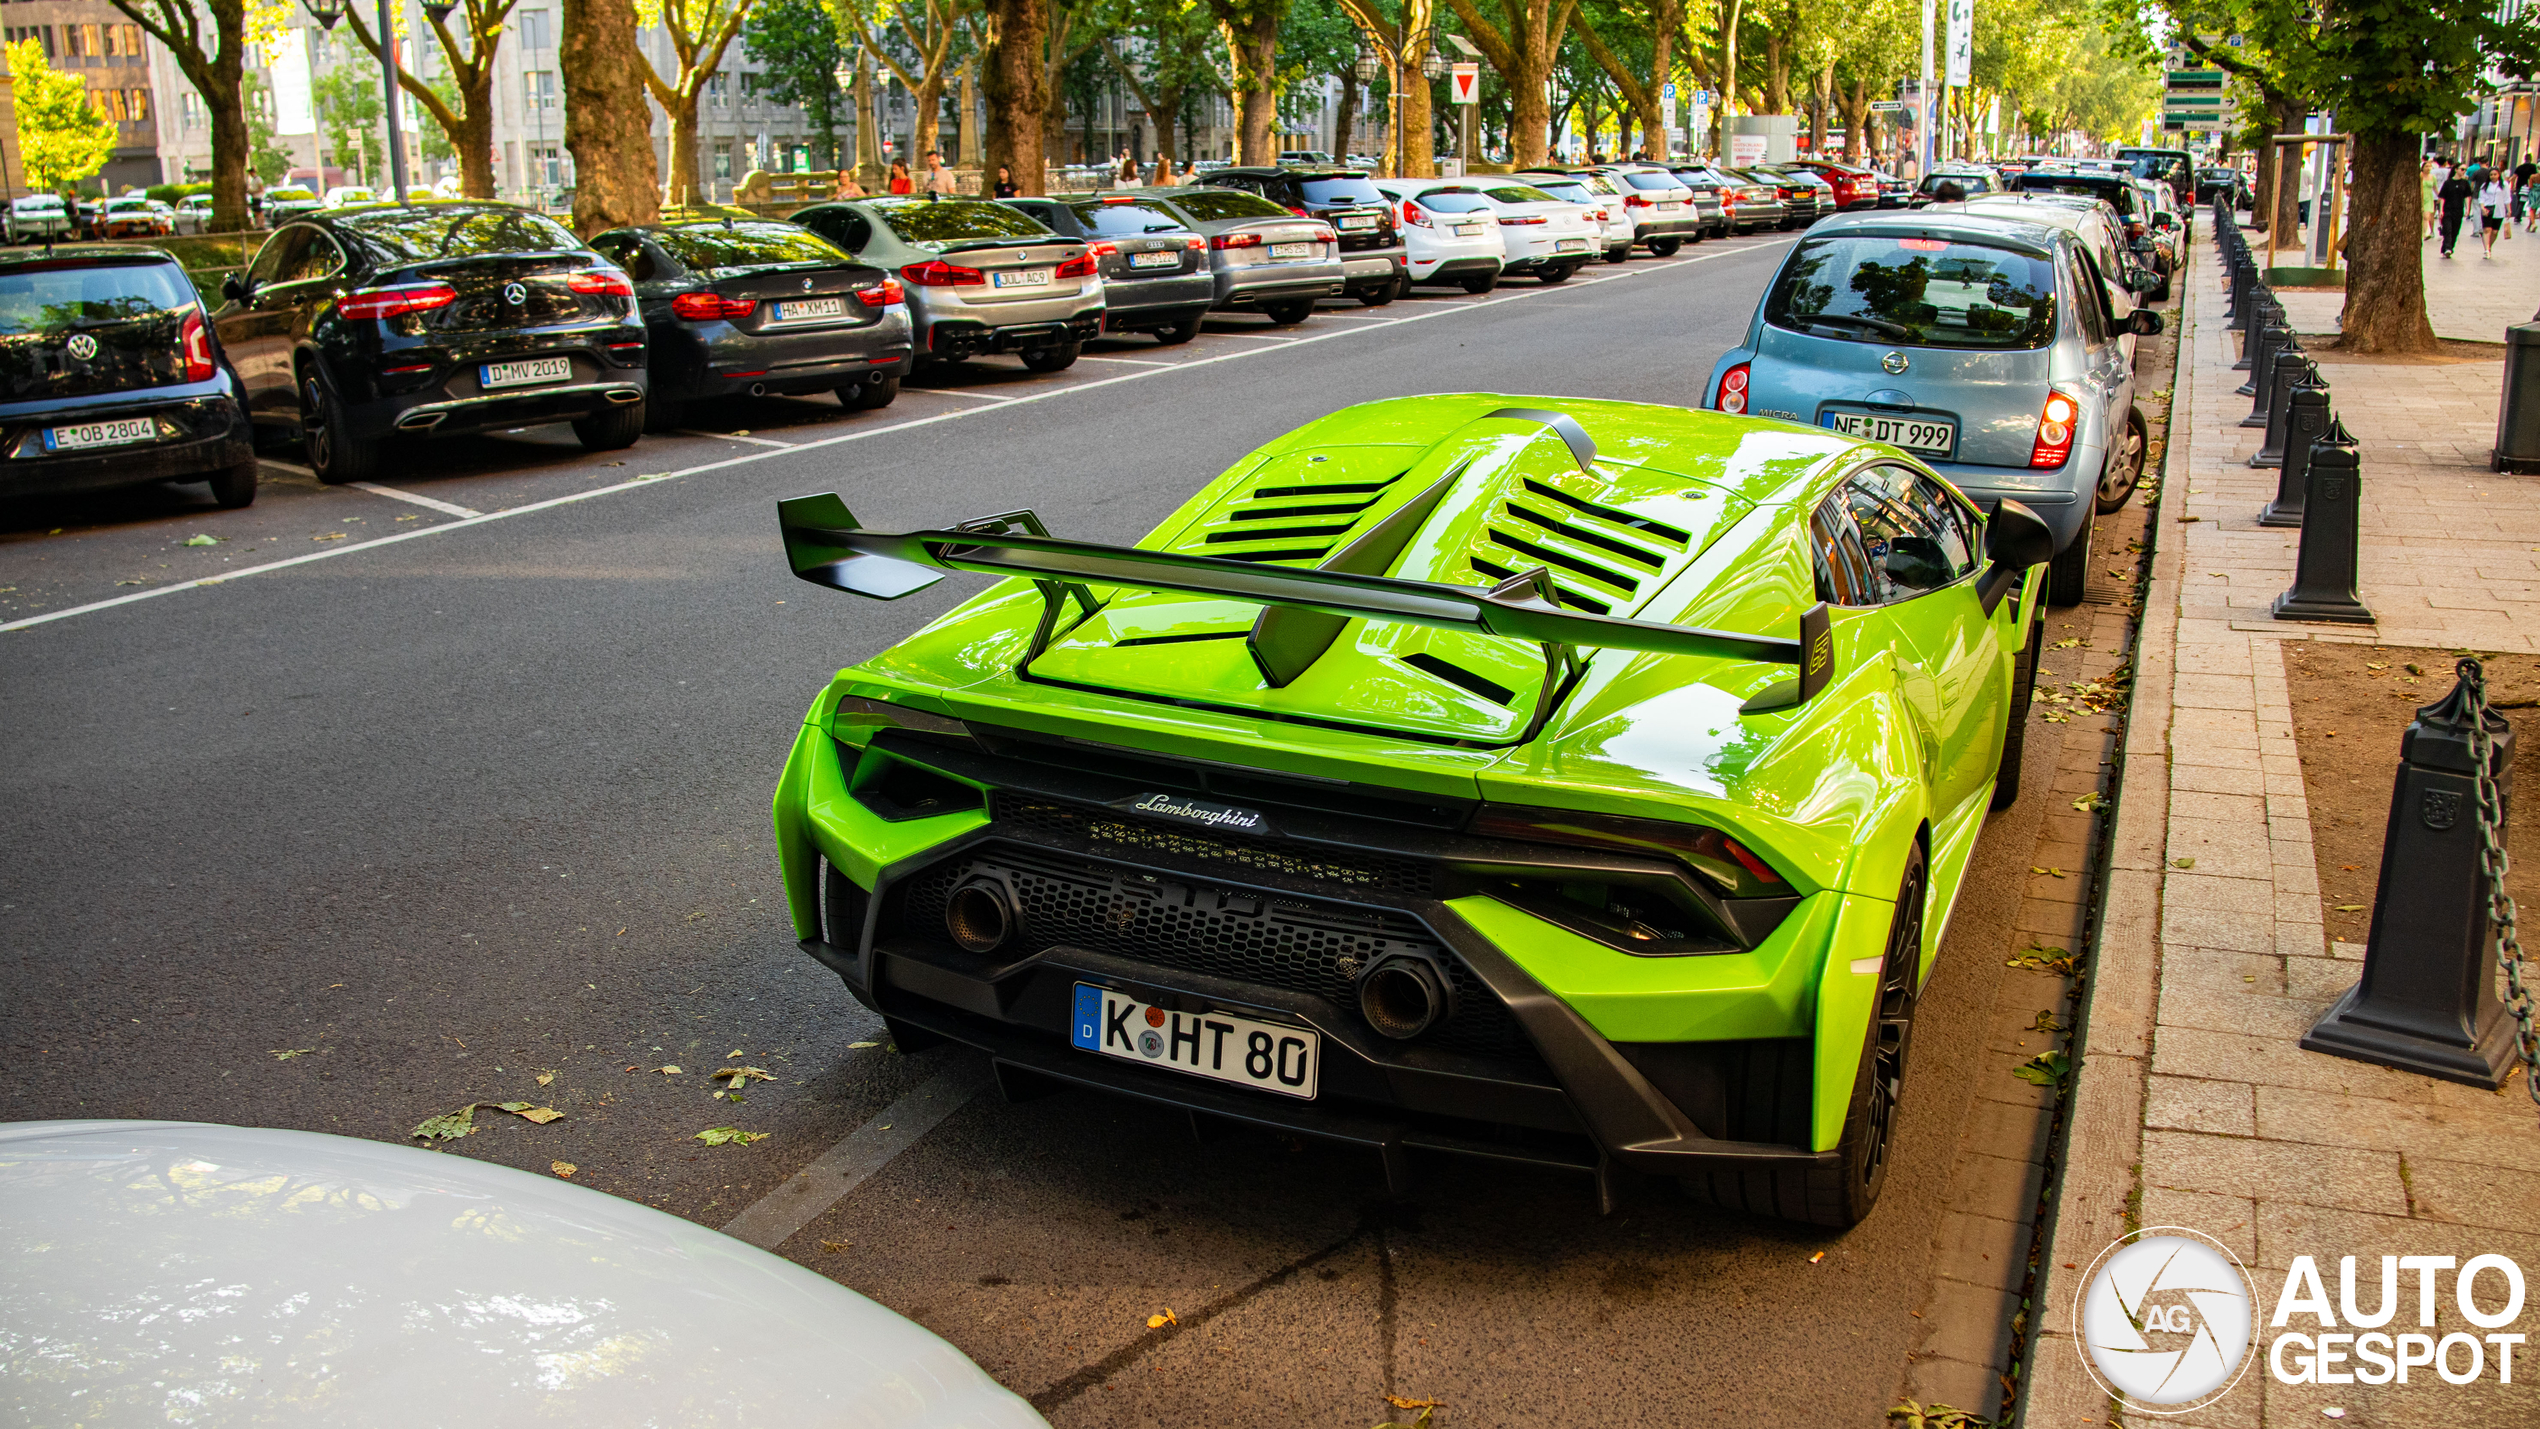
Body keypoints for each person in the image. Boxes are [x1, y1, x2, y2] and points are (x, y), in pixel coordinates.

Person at [2436, 164, 2476, 257]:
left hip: (2458, 209)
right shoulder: (2448, 183)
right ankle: (2447, 248)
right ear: (2456, 169)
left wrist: (2468, 209)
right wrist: (2441, 210)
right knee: (2447, 229)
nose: (2463, 171)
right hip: (2448, 209)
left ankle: (2448, 247)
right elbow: (2442, 197)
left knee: (2455, 230)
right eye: (2462, 169)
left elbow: (2467, 197)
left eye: (2465, 170)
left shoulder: (2465, 183)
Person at [2480, 171, 2511, 257]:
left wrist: (2509, 210)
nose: (2493, 176)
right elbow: (2481, 198)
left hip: (2499, 210)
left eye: (2495, 174)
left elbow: (2507, 198)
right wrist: (2482, 208)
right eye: (2491, 175)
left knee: (2494, 231)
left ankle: (2489, 246)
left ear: (2499, 175)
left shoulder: (2504, 185)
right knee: (2487, 230)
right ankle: (2486, 249)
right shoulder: (2485, 185)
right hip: (2488, 209)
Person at [2421, 158, 2439, 241]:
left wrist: (2439, 196)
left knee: (2426, 216)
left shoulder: (2432, 177)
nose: (2428, 168)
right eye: (2426, 166)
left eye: (2430, 166)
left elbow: (2435, 188)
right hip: (2420, 197)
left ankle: (2425, 233)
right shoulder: (2420, 175)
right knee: (2420, 216)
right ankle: (2421, 231)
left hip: (2429, 197)